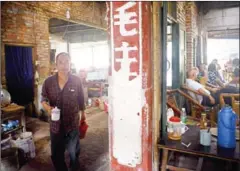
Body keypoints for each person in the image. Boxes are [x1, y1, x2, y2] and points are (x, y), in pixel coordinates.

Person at [41, 52, 85, 171]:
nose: (64, 65)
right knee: (56, 153)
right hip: (56, 124)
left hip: (72, 123)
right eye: (61, 62)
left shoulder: (76, 80)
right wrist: (48, 108)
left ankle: (74, 168)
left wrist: (83, 116)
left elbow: (81, 99)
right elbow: (43, 98)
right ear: (56, 64)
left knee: (73, 152)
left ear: (70, 63)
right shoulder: (48, 82)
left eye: (67, 62)